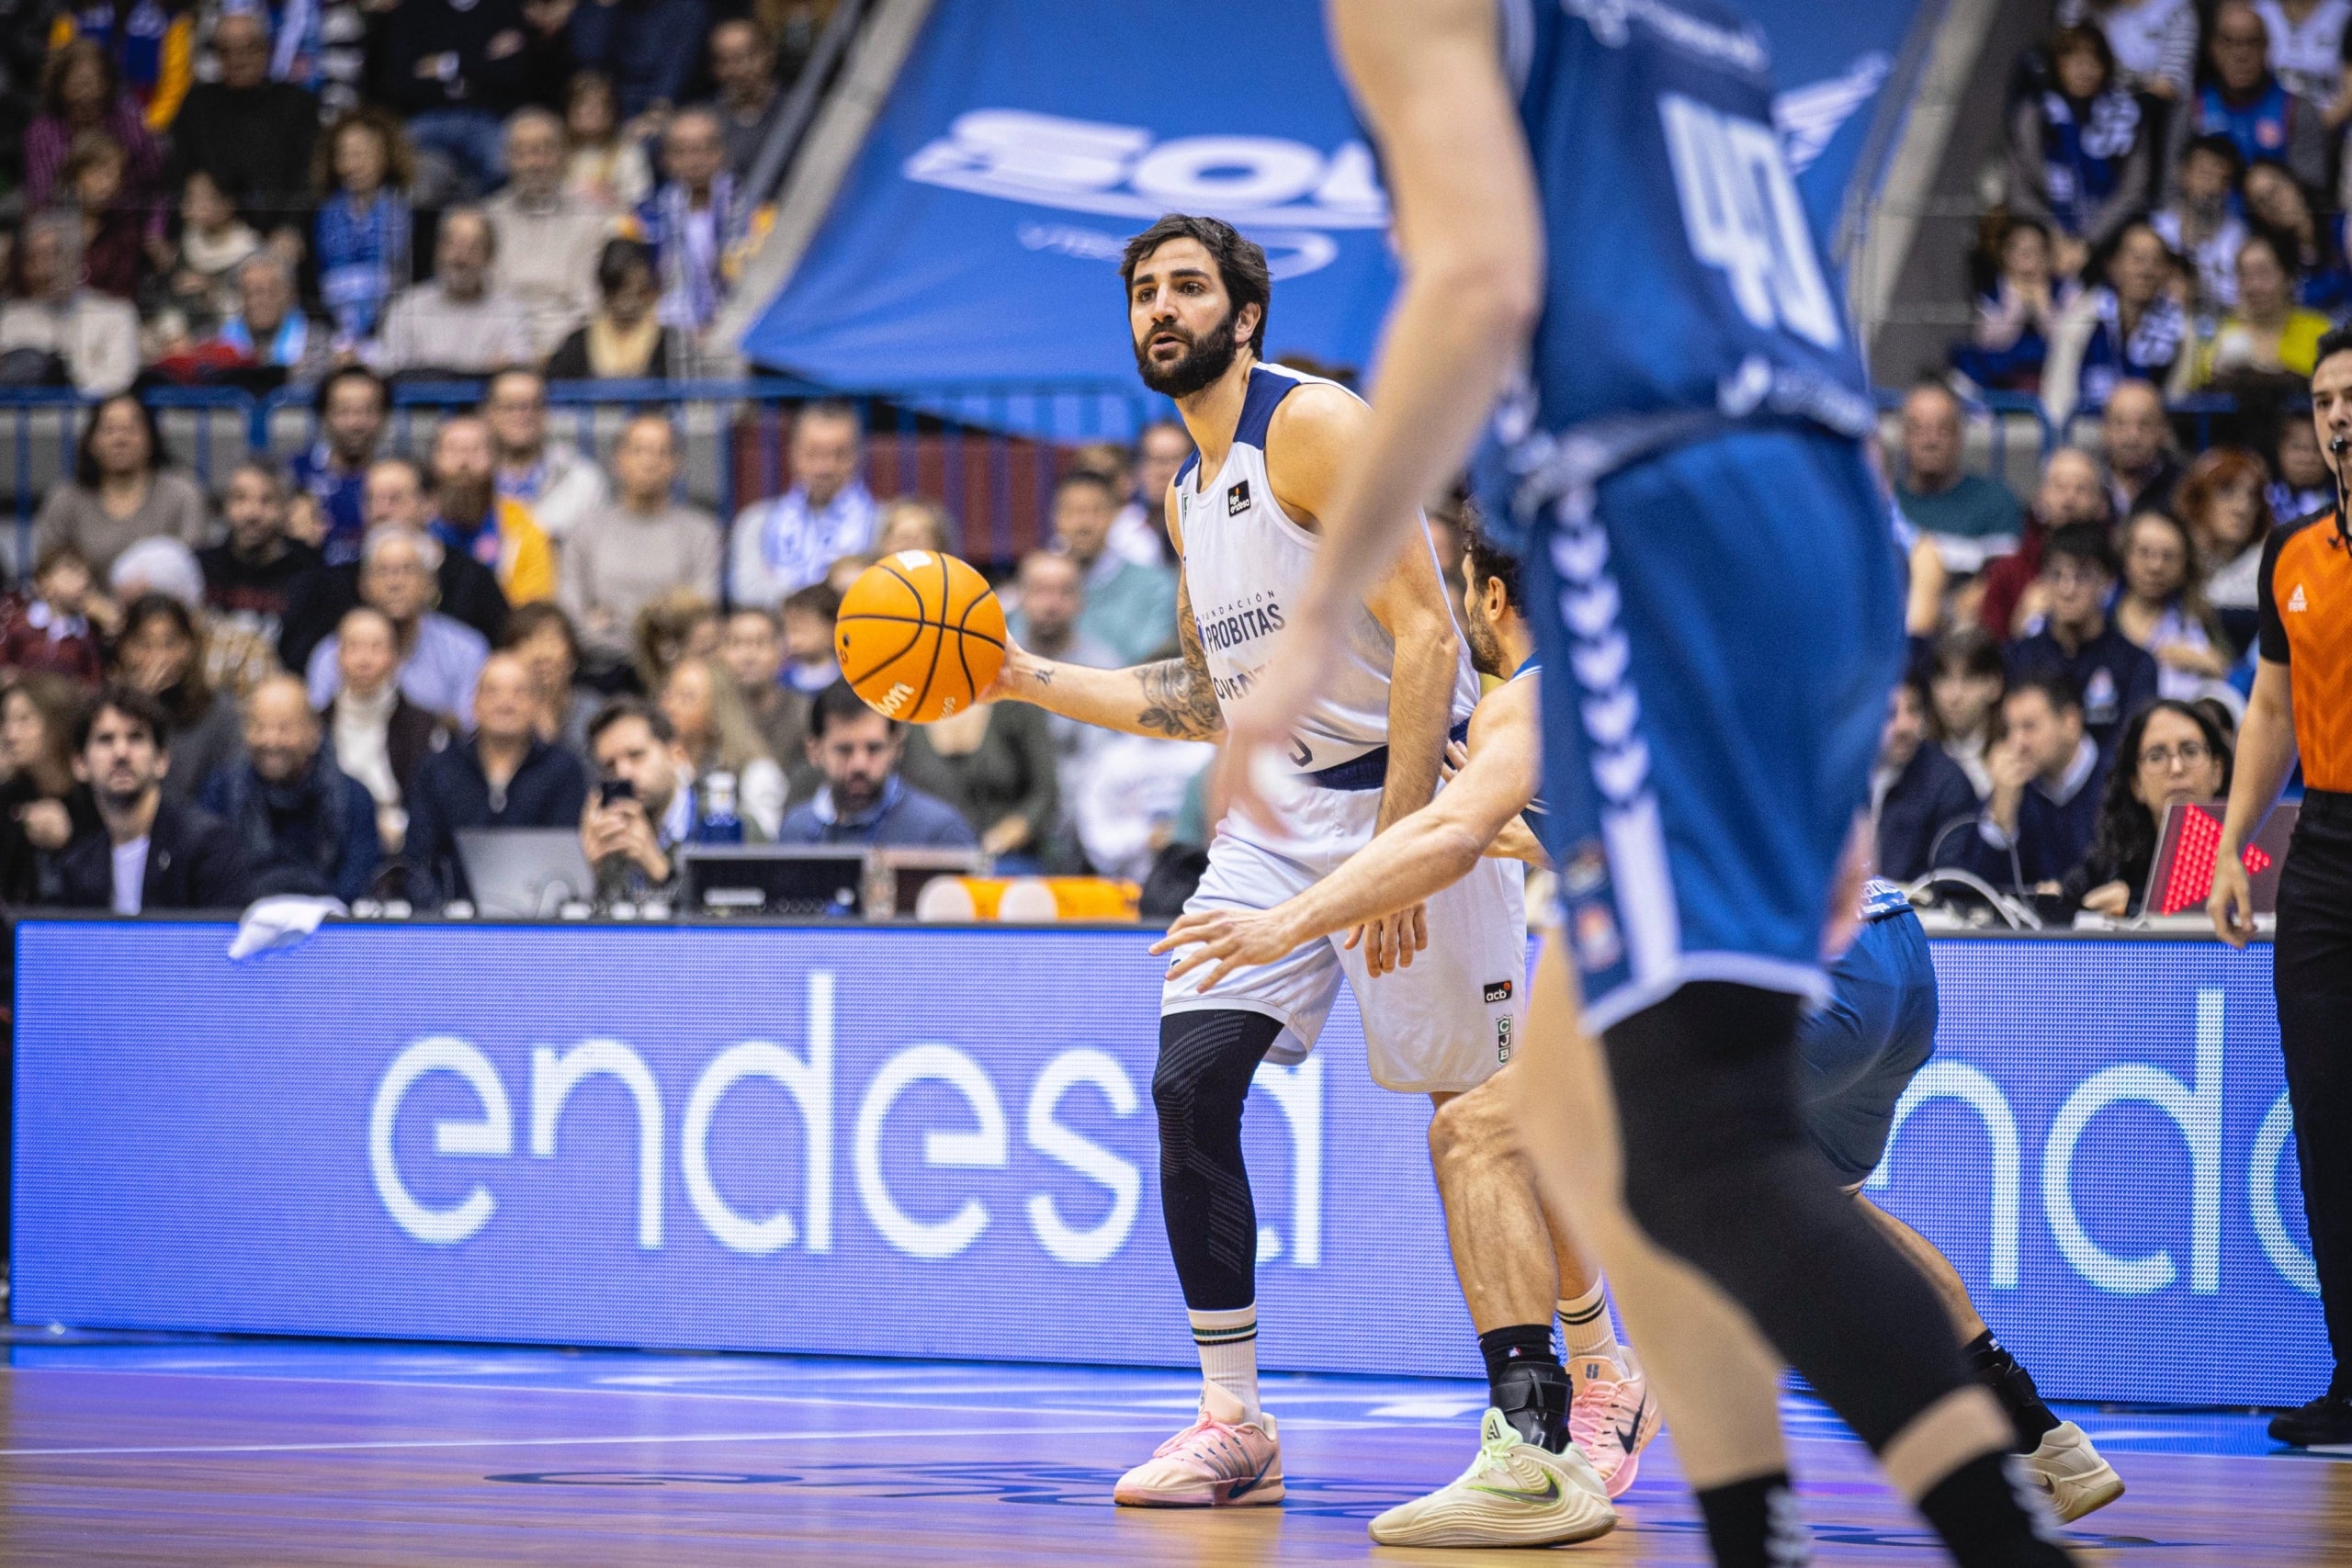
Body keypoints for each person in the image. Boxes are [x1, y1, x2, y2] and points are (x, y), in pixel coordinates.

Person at [1238, 6, 2075, 1562]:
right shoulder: (1699, 29)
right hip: (1824, 501)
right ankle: (1755, 1526)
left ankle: (2001, 1535)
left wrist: (1313, 621)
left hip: (1663, 503)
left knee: (1703, 1146)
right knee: (1572, 1112)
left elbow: (1476, 280)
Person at [1157, 565, 2124, 1528]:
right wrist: (1537, 842)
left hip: (1784, 973)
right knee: (1825, 1209)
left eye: (1463, 588)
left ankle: (1533, 1458)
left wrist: (1283, 923)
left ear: (1492, 597)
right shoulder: (1659, 666)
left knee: (1477, 1133)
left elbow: (1447, 831)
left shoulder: (1530, 700)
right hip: (1890, 953)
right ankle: (2040, 1438)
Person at [978, 217, 1595, 1539]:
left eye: (1187, 286)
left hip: (1418, 787)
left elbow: (1430, 634)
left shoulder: (1309, 426)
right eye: (1142, 290)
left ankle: (1595, 1367)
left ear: (1244, 315)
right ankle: (1234, 1416)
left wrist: (1395, 850)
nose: (1160, 307)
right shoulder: (1185, 492)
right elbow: (1204, 696)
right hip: (1280, 815)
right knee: (1191, 1083)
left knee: (1480, 1117)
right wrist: (1024, 675)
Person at [2212, 325, 2352, 1448]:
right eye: (2323, 401)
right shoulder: (2290, 553)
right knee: (2327, 1123)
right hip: (2323, 860)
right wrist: (2230, 847)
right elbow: (2265, 710)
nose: (2339, 416)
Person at [277, 455, 513, 672]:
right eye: (372, 500)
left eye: (394, 498)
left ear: (429, 504)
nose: (381, 511)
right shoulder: (331, 585)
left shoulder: (472, 579)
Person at [401, 652, 590, 903]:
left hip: (540, 921)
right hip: (449, 921)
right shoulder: (437, 768)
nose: (505, 703)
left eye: (519, 692)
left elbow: (565, 855)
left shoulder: (564, 769)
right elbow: (417, 860)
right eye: (493, 691)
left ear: (536, 704)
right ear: (474, 703)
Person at [51, 685, 251, 912]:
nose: (121, 753)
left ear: (162, 760)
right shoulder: (77, 866)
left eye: (135, 737)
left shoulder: (207, 846)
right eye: (105, 740)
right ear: (80, 764)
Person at [198, 673, 379, 902]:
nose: (270, 741)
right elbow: (212, 880)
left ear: (314, 733)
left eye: (283, 728)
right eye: (259, 726)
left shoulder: (353, 799)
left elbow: (356, 885)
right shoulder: (220, 792)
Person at [560, 414, 722, 669]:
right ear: (618, 460)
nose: (649, 462)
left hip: (677, 667)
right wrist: (663, 619)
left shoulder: (701, 532)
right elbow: (571, 617)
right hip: (601, 667)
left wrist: (612, 622)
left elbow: (701, 613)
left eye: (662, 452)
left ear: (677, 464)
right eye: (639, 451)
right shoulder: (585, 532)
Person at [304, 525, 492, 727]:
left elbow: (471, 730)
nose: (395, 583)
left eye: (407, 570)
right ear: (363, 586)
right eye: (383, 572)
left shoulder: (465, 650)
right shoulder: (333, 654)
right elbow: (316, 730)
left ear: (430, 584)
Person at [2064, 697, 2232, 914]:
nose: (2176, 768)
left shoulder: (2248, 850)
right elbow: (2062, 906)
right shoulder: (2113, 859)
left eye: (2190, 751)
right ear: (2136, 785)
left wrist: (2136, 910)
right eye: (2156, 756)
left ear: (2217, 772)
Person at [2009, 522, 2161, 761]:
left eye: (2082, 577)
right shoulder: (2018, 656)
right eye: (2056, 575)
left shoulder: (2136, 664)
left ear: (2107, 583)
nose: (2067, 590)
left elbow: (2134, 748)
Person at [1942, 675, 2108, 889]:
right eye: (2010, 729)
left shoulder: (2116, 779)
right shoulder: (2015, 788)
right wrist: (2002, 817)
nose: (2016, 743)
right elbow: (1977, 894)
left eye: (2029, 727)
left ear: (2070, 723)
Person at [164, 10, 317, 240]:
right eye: (226, 50)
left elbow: (307, 177)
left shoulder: (297, 105)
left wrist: (290, 227)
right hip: (210, 233)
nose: (238, 59)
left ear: (266, 49)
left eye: (249, 48)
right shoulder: (197, 105)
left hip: (276, 235)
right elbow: (178, 173)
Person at [2006, 26, 2153, 264]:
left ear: (2106, 66)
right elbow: (2019, 192)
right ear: (2057, 64)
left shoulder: (2126, 116)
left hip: (2110, 237)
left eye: (2093, 60)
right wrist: (2055, 236)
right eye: (2073, 59)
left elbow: (2133, 190)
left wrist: (2088, 243)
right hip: (2046, 235)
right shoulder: (2034, 114)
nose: (2084, 70)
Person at [776, 681, 976, 850]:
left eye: (874, 749)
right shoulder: (795, 831)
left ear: (896, 746)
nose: (860, 765)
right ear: (814, 751)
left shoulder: (939, 833)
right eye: (844, 750)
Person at [32, 397, 208, 584]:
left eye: (131, 430)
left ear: (151, 438)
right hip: (83, 609)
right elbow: (48, 569)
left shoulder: (182, 494)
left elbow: (193, 568)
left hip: (163, 609)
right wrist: (95, 607)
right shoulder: (66, 499)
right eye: (109, 430)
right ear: (91, 442)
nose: (120, 439)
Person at [2166, 3, 2332, 196]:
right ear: (2213, 48)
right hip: (2208, 220)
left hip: (2268, 224)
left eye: (2251, 42)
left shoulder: (2297, 110)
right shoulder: (2192, 108)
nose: (2241, 54)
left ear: (2267, 48)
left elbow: (2311, 195)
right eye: (2229, 42)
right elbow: (2169, 190)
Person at [484, 109, 611, 359]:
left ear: (562, 156)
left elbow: (591, 306)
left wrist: (555, 352)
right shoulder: (486, 218)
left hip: (570, 348)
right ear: (507, 160)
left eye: (544, 150)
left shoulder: (593, 220)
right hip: (499, 348)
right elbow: (486, 301)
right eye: (523, 153)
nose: (535, 163)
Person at [728, 401, 877, 608]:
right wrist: (829, 598)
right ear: (793, 454)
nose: (825, 467)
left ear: (858, 456)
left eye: (839, 454)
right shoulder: (756, 521)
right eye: (813, 453)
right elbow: (747, 592)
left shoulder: (881, 522)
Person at [325, 605, 449, 853]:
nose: (364, 660)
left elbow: (433, 801)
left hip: (402, 842)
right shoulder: (317, 724)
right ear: (338, 656)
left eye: (376, 647)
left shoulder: (424, 725)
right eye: (354, 647)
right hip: (332, 837)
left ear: (395, 657)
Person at [380, 0, 529, 200]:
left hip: (486, 117)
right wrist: (482, 61)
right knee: (398, 164)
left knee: (501, 164)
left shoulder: (504, 8)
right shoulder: (414, 10)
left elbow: (511, 74)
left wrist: (444, 64)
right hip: (428, 115)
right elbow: (401, 82)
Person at [2043, 231, 2189, 431]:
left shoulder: (2180, 330)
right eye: (2137, 259)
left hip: (2149, 444)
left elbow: (2177, 400)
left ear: (2166, 272)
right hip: (2086, 438)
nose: (2146, 271)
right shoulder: (2081, 320)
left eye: (2157, 262)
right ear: (2113, 266)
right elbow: (2058, 398)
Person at [899, 691, 1060, 868]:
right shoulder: (905, 704)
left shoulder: (1015, 704)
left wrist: (1001, 839)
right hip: (925, 854)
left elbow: (1045, 792)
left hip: (1005, 855)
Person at [374, 209, 536, 378]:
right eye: (452, 244)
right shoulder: (407, 307)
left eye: (473, 248)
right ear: (437, 249)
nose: (460, 258)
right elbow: (390, 373)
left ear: (489, 256)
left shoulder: (510, 312)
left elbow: (517, 373)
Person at [631, 107, 750, 336]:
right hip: (667, 335)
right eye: (681, 152)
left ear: (723, 152)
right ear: (665, 159)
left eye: (704, 149)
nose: (694, 161)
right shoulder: (647, 217)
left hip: (737, 329)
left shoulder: (751, 210)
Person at [111, 593, 243, 802]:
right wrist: (138, 705)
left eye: (170, 643)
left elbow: (228, 791)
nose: (159, 658)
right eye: (144, 645)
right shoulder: (107, 711)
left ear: (190, 646)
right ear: (124, 649)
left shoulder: (219, 712)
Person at [0, 213, 141, 397]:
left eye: (56, 253)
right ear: (25, 267)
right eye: (36, 257)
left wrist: (68, 387)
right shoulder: (10, 319)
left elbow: (118, 381)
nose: (48, 267)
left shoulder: (116, 314)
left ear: (78, 258)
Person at [424, 415, 557, 607]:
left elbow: (532, 608)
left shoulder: (523, 527)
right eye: (453, 450)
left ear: (496, 461)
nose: (464, 463)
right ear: (434, 461)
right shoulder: (417, 525)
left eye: (476, 450)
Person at [311, 108, 415, 349]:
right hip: (334, 334)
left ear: (385, 157)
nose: (352, 165)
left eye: (362, 154)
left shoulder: (408, 211)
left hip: (394, 330)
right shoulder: (321, 216)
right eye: (344, 155)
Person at [1051, 468, 1180, 663]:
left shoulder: (1155, 586)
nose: (1084, 524)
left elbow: (1153, 660)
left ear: (1115, 515)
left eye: (1096, 511)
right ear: (1056, 517)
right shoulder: (1038, 585)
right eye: (1073, 511)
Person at [1895, 381, 2025, 575]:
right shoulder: (1884, 506)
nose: (1930, 441)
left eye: (1943, 429)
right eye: (1919, 429)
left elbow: (2003, 586)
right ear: (1903, 436)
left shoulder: (1996, 502)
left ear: (1960, 436)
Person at [198, 459, 322, 662]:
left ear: (286, 509)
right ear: (225, 506)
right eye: (240, 498)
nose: (251, 513)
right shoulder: (202, 568)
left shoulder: (311, 577)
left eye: (267, 500)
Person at [2113, 508, 2239, 706]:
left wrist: (2210, 664)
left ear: (2184, 564)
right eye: (2144, 553)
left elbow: (2231, 677)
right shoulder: (2099, 616)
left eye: (2168, 556)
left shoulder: (2201, 617)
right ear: (2125, 556)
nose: (2155, 566)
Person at [24, 39, 164, 215]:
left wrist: (153, 236)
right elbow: (40, 199)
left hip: (128, 225)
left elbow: (156, 190)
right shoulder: (41, 133)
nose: (90, 93)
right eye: (80, 84)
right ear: (60, 87)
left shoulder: (131, 125)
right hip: (64, 226)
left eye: (98, 82)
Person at [0, 672, 101, 904]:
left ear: (58, 723)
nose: (10, 734)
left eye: (24, 720)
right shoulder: (8, 797)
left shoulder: (96, 796)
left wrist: (68, 843)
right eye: (6, 721)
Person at [657, 655, 785, 838]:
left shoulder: (757, 773)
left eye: (686, 697)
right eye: (668, 695)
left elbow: (764, 845)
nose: (670, 707)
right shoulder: (656, 768)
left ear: (718, 713)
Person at [581, 697, 695, 900]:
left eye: (636, 755)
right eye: (610, 766)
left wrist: (658, 870)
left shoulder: (724, 822)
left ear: (676, 755)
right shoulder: (614, 834)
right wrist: (594, 873)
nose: (623, 774)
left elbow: (736, 923)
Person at [1873, 675, 1981, 884]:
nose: (1904, 726)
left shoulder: (1949, 784)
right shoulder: (1845, 776)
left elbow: (1952, 881)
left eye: (1913, 710)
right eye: (1890, 714)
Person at [2188, 231, 2334, 386]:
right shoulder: (2221, 333)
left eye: (2264, 274)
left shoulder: (2319, 331)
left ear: (2288, 277)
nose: (2254, 286)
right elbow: (2199, 386)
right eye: (2244, 275)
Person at [483, 369, 609, 547]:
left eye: (531, 405)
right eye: (509, 407)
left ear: (545, 412)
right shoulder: (472, 478)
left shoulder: (582, 479)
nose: (521, 415)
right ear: (489, 414)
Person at [1951, 219, 2074, 395]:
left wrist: (2043, 308)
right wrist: (2016, 304)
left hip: (2050, 370)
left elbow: (2069, 341)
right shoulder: (1992, 293)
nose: (2026, 259)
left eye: (2034, 251)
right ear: (2004, 255)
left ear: (2048, 257)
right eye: (2019, 251)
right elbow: (1987, 342)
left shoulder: (2065, 290)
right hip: (2003, 370)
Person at [544, 238, 687, 381]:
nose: (628, 301)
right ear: (606, 291)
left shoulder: (669, 343)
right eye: (619, 290)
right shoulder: (578, 343)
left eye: (638, 291)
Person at [288, 366, 390, 565]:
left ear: (384, 416)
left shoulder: (398, 479)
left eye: (367, 411)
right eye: (344, 411)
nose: (355, 423)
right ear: (324, 415)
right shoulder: (296, 473)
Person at [2152, 136, 2251, 319]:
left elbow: (2244, 306)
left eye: (2224, 179)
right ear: (2184, 174)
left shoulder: (2241, 239)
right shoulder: (2155, 229)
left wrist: (2197, 294)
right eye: (2205, 174)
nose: (2213, 187)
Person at [207, 251, 334, 388]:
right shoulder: (215, 340)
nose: (259, 301)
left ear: (291, 295)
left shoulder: (321, 341)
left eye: (270, 292)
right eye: (250, 292)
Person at [501, 601, 599, 753]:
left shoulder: (594, 714)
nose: (541, 653)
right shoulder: (500, 715)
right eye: (527, 641)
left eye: (551, 640)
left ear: (572, 658)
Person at [2, 546, 107, 684]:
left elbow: (93, 680)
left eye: (86, 576)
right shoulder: (19, 624)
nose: (82, 583)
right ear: (44, 582)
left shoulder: (86, 636)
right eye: (72, 574)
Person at [718, 606, 809, 767]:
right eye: (737, 644)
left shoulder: (803, 714)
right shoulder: (711, 715)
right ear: (720, 652)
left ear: (781, 652)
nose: (748, 656)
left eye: (760, 643)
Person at [1927, 627, 2009, 798]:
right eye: (1944, 678)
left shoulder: (2014, 756)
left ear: (1995, 685)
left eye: (1969, 679)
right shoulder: (1915, 757)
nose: (1954, 696)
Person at [561, 70, 654, 215]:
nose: (591, 111)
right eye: (582, 104)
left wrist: (612, 198)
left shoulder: (629, 153)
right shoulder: (557, 152)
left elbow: (640, 201)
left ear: (613, 110)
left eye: (599, 104)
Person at [704, 18, 785, 183]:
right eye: (726, 61)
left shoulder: (802, 112)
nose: (739, 70)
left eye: (748, 56)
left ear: (769, 55)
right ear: (714, 68)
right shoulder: (705, 122)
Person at [777, 582, 842, 694]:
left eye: (803, 629)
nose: (794, 637)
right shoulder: (782, 682)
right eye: (790, 629)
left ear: (831, 628)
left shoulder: (848, 678)